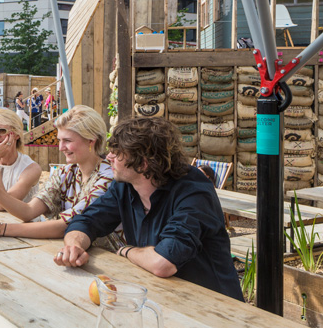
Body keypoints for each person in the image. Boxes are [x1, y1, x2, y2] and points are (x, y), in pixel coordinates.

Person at [54, 117, 243, 301]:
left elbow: (163, 263)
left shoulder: (193, 192)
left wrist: (126, 251)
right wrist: (75, 245)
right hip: (165, 298)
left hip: (215, 307)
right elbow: (86, 221)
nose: (108, 157)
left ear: (143, 163)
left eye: (117, 152)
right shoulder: (125, 186)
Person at [0, 105, 113, 239]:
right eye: (59, 140)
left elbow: (65, 226)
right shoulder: (66, 172)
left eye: (67, 141)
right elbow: (29, 211)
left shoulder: (107, 177)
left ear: (91, 141)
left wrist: (1, 228)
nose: (61, 148)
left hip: (109, 259)